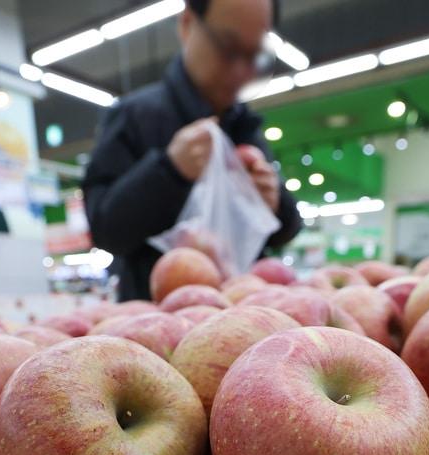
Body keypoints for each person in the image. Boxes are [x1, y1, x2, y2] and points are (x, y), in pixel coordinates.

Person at [81, 0, 302, 301]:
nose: (241, 70)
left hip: (246, 317)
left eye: (254, 55)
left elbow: (286, 230)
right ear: (187, 24)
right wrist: (168, 171)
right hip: (157, 324)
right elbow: (105, 230)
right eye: (227, 47)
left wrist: (275, 205)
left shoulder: (245, 128)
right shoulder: (133, 117)